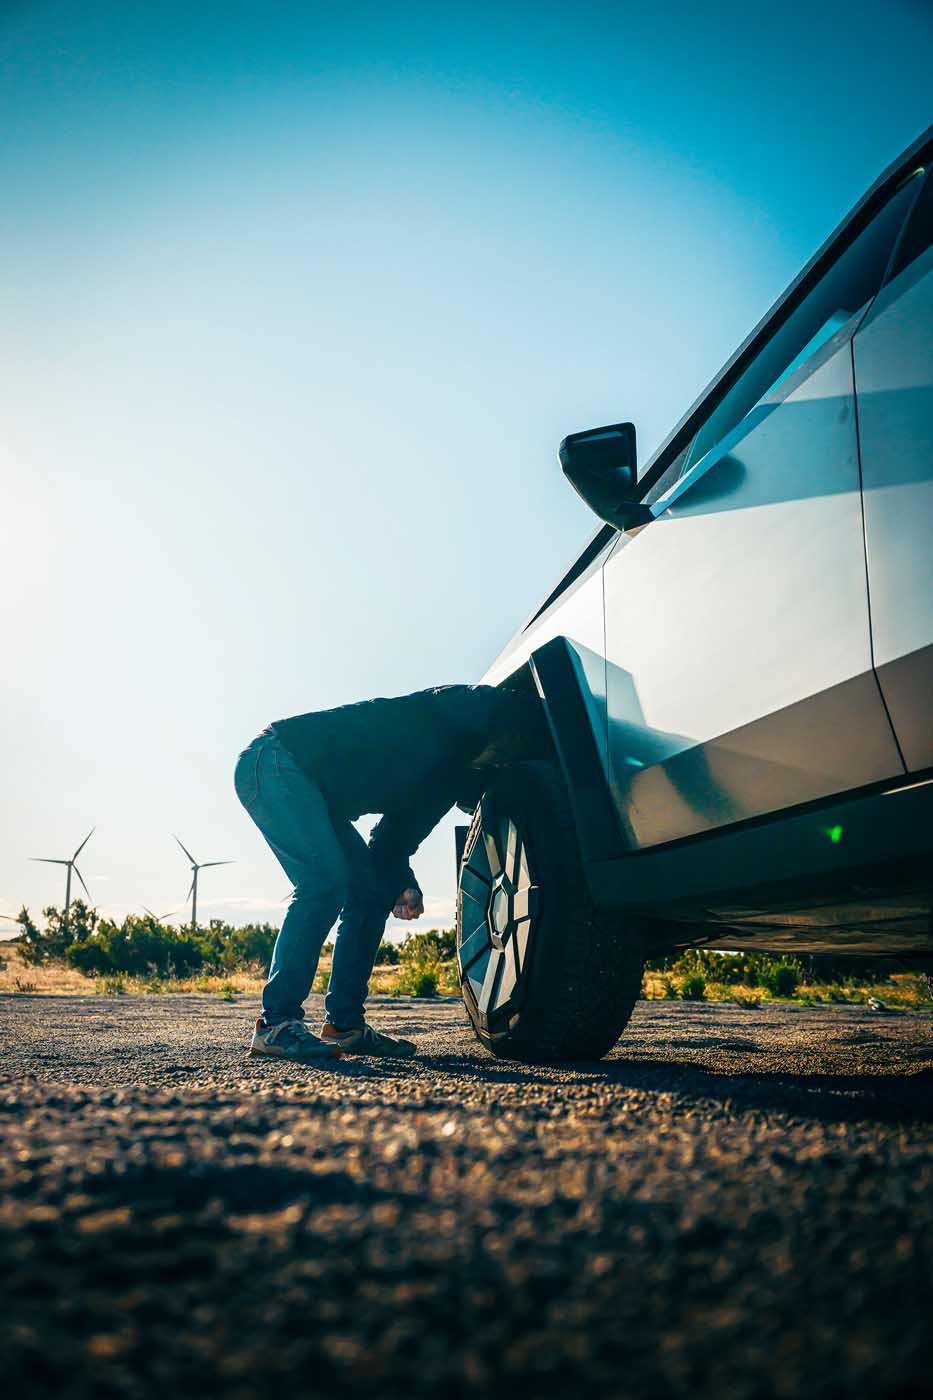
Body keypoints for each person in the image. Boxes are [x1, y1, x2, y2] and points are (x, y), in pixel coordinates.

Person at [234, 684, 547, 1063]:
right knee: (324, 882)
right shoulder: (448, 722)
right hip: (275, 761)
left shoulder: (448, 771)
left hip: (314, 789)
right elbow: (464, 709)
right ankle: (276, 1024)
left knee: (369, 892)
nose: (503, 763)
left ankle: (345, 1026)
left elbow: (390, 843)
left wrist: (403, 884)